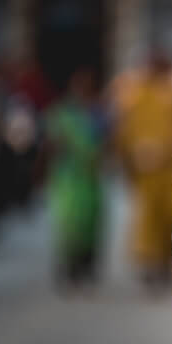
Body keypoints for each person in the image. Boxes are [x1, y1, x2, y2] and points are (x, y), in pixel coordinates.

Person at [112, 51, 172, 287]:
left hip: (169, 168)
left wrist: (169, 151)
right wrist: (130, 156)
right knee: (146, 218)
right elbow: (125, 129)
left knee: (169, 217)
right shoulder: (135, 96)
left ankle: (165, 263)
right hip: (144, 170)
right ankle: (148, 264)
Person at [46, 66, 106, 287]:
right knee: (69, 223)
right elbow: (52, 143)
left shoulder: (98, 112)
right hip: (68, 177)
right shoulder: (62, 114)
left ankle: (86, 267)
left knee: (91, 222)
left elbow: (107, 142)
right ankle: (69, 268)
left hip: (89, 178)